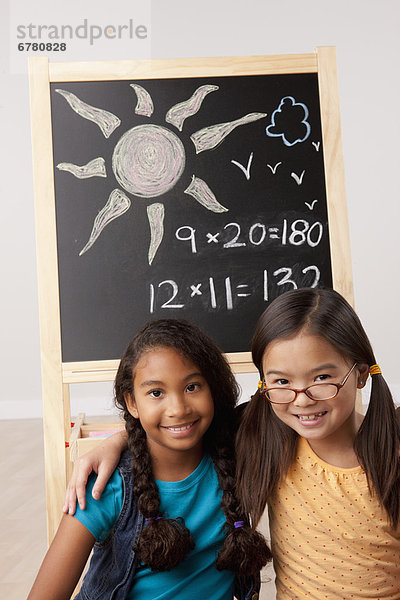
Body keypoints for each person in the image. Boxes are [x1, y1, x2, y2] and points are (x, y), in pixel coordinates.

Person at [63, 289, 400, 599]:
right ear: (264, 382)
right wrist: (117, 439)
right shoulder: (266, 430)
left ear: (360, 372)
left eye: (322, 378)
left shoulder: (391, 453)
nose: (301, 399)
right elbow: (177, 426)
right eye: (281, 381)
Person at [28, 318, 271, 600]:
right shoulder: (107, 486)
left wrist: (118, 438)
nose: (178, 409)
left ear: (213, 389)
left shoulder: (237, 452)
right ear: (132, 402)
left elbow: (286, 400)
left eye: (192, 387)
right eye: (156, 393)